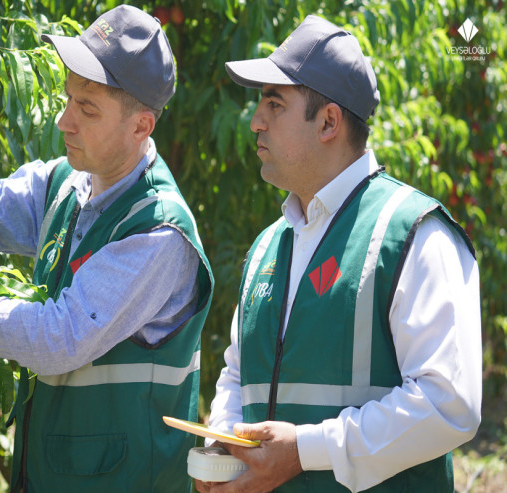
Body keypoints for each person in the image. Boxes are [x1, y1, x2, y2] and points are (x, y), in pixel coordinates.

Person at [0, 5, 213, 492]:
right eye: (68, 98)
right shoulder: (68, 184)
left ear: (141, 127)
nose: (63, 120)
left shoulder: (157, 235)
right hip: (53, 473)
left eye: (87, 109)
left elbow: (59, 338)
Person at [196, 14, 481, 493]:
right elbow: (237, 373)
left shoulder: (412, 233)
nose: (255, 121)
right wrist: (225, 442)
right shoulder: (268, 246)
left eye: (273, 103)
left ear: (328, 121)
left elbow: (450, 402)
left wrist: (307, 451)